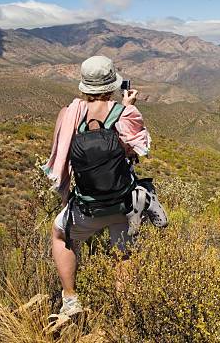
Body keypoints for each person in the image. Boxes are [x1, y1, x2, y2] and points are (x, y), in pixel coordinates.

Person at [41, 55, 154, 317]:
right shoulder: (126, 114)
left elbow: (61, 156)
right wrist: (127, 108)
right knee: (124, 255)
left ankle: (70, 300)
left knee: (60, 235)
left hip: (86, 206)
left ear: (84, 85)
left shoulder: (68, 115)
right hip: (123, 203)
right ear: (112, 84)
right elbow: (138, 151)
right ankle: (124, 314)